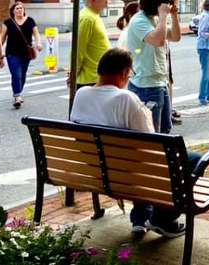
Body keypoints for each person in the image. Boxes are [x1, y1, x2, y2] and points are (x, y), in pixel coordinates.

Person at [70, 48, 189, 240]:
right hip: (126, 174)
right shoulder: (126, 98)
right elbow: (151, 143)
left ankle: (140, 220)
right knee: (191, 159)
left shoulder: (81, 93)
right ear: (125, 73)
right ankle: (163, 217)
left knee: (133, 159)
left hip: (93, 170)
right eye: (130, 73)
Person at [126, 0, 181, 134]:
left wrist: (174, 17)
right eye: (168, 4)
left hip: (159, 82)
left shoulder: (154, 19)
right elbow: (158, 41)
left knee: (165, 130)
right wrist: (163, 17)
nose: (169, 7)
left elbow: (175, 37)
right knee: (153, 133)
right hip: (146, 85)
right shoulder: (139, 20)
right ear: (158, 3)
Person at [0, 1, 42, 109]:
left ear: (24, 10)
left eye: (21, 8)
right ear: (13, 11)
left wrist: (38, 43)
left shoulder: (30, 21)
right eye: (17, 8)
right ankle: (17, 96)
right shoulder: (8, 23)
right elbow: (2, 38)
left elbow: (36, 34)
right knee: (16, 74)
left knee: (22, 75)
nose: (19, 10)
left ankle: (18, 92)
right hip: (11, 53)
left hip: (26, 53)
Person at [75, 0, 111, 88]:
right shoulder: (87, 18)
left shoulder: (93, 15)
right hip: (90, 80)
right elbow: (78, 50)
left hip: (98, 77)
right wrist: (73, 74)